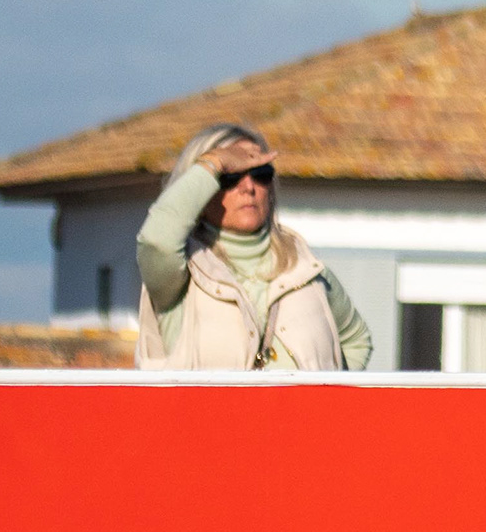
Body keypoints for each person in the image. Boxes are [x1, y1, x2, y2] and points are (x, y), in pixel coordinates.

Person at [134, 125, 374, 371]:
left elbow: (356, 340)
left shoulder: (306, 269)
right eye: (229, 176)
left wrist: (332, 393)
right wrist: (214, 162)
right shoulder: (178, 274)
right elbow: (156, 240)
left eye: (261, 173)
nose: (248, 187)